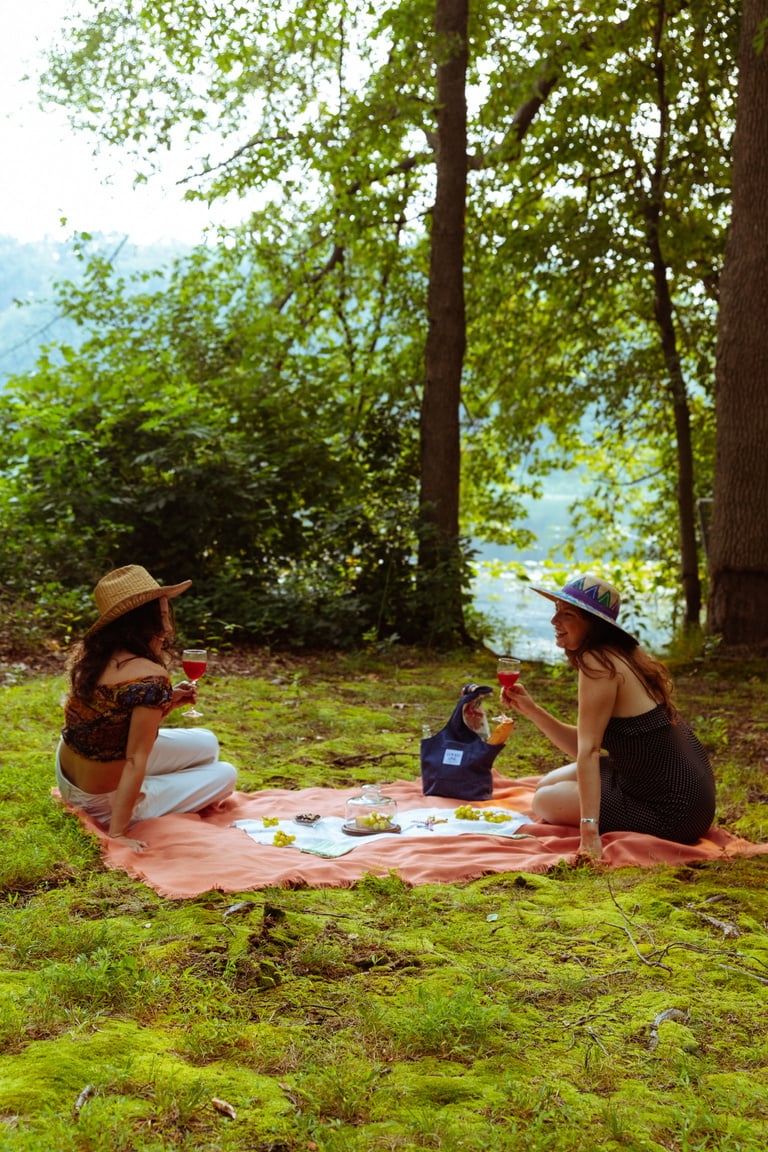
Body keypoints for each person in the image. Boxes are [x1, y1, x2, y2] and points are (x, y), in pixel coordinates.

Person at [501, 573, 715, 860]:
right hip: (675, 789)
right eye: (556, 612)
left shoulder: (598, 663)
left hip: (672, 810)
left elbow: (588, 751)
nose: (554, 622)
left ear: (593, 624)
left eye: (567, 614)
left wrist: (589, 831)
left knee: (543, 801)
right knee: (546, 783)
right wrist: (532, 710)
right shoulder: (621, 654)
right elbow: (583, 745)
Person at [56, 565, 237, 852]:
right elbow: (134, 760)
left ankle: (153, 783)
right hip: (102, 800)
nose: (167, 628)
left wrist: (166, 703)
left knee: (208, 742)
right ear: (138, 623)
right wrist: (118, 833)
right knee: (225, 773)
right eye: (161, 618)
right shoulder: (149, 677)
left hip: (70, 774)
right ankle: (133, 801)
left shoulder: (94, 658)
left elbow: (114, 726)